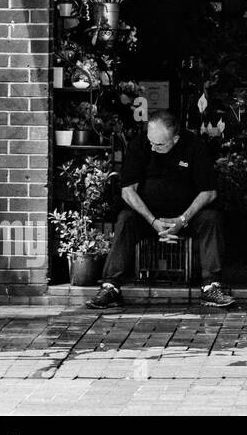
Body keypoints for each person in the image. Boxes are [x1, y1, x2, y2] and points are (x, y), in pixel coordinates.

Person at [88, 110, 236, 309]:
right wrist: (153, 221)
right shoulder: (140, 144)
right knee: (125, 218)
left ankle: (211, 286)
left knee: (212, 218)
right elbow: (127, 191)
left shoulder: (194, 146)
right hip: (148, 217)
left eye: (159, 144)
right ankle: (110, 287)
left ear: (175, 139)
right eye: (151, 141)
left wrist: (182, 220)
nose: (153, 147)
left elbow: (209, 192)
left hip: (186, 217)